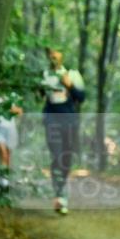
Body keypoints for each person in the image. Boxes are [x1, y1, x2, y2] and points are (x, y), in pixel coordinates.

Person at [40, 48, 85, 215]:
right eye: (50, 52)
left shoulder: (72, 74)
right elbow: (39, 95)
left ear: (62, 55)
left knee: (65, 157)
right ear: (48, 56)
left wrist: (70, 85)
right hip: (51, 121)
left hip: (69, 122)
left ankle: (61, 187)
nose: (54, 55)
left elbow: (81, 97)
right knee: (57, 154)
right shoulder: (43, 75)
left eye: (57, 52)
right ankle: (60, 195)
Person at [0, 95, 22, 186]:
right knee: (3, 153)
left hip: (10, 129)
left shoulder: (13, 95)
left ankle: (4, 179)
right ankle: (3, 181)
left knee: (7, 155)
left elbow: (20, 111)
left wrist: (12, 109)